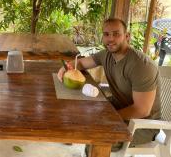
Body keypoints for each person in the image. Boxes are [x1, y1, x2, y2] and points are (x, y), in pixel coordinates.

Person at [58, 18, 161, 152]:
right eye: (106, 34)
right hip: (117, 107)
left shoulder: (141, 66)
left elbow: (142, 110)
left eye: (116, 34)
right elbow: (82, 63)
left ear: (127, 36)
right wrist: (66, 67)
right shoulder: (106, 54)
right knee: (80, 108)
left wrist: (107, 118)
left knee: (97, 136)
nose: (110, 39)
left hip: (142, 125)